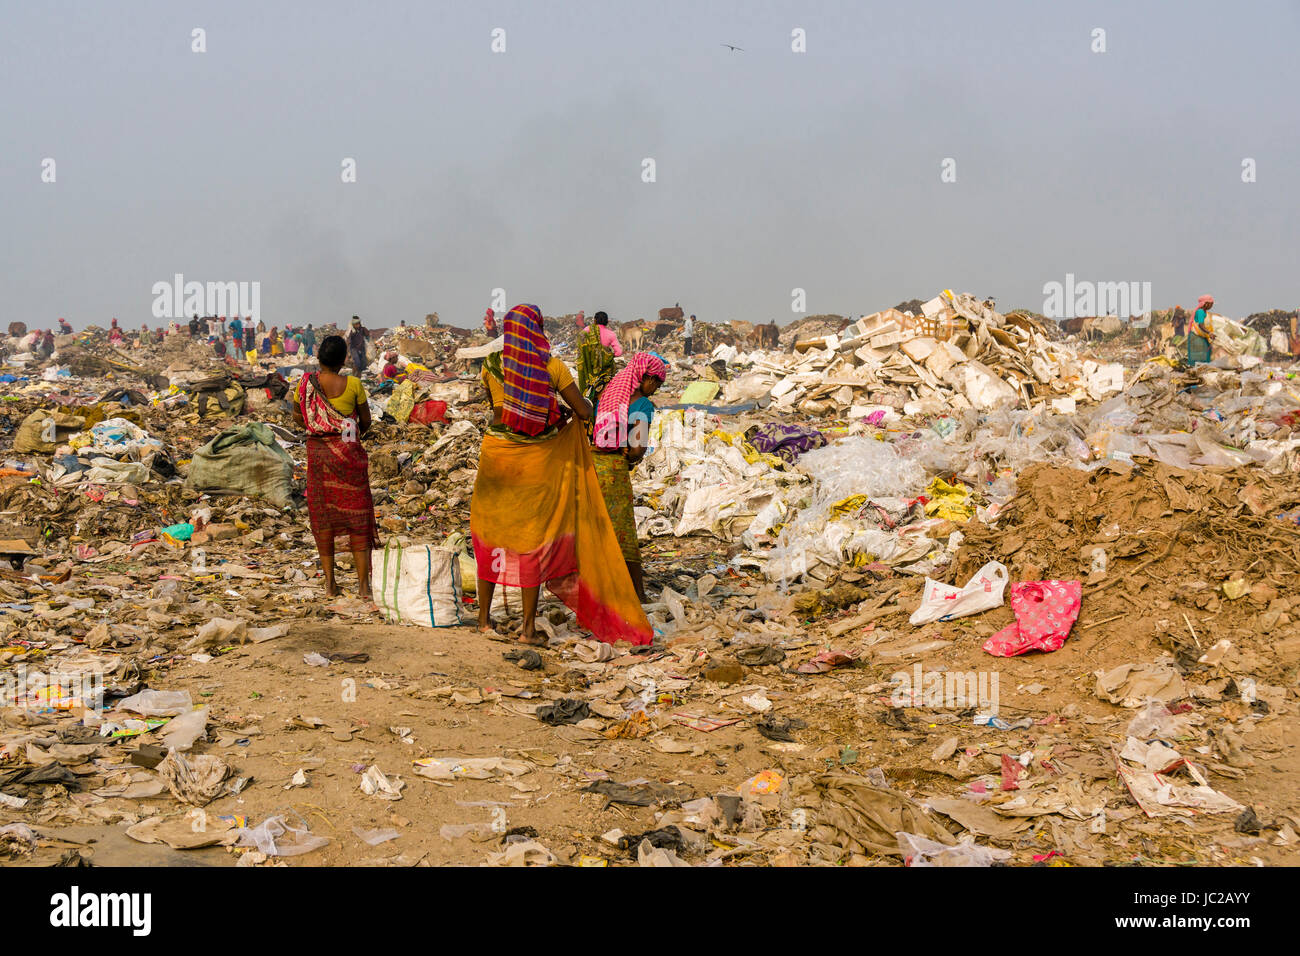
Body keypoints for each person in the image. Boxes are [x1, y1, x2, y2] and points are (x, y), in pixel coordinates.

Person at [471, 304, 652, 647]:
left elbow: (496, 407)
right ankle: (527, 629)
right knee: (531, 540)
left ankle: (482, 620)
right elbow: (584, 410)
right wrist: (564, 409)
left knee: (491, 533)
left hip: (496, 456)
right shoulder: (551, 366)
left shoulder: (491, 365)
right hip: (536, 460)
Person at [292, 335, 377, 601]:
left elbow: (298, 416)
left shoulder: (305, 384)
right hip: (349, 459)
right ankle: (364, 587)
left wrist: (320, 427)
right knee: (358, 519)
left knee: (323, 518)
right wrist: (345, 434)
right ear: (343, 360)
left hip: (319, 459)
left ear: (319, 358)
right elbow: (365, 421)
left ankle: (330, 585)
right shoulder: (353, 384)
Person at [592, 352, 667, 602]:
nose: (655, 389)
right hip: (613, 473)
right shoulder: (642, 405)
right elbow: (637, 448)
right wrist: (632, 456)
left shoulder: (606, 394)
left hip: (590, 468)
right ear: (645, 376)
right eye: (656, 382)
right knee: (623, 531)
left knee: (594, 529)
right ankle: (638, 593)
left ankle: (597, 587)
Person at [576, 310, 623, 404]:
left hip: (590, 369)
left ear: (595, 320)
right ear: (607, 322)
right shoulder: (611, 334)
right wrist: (606, 355)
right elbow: (618, 352)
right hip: (604, 371)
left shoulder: (587, 330)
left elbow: (581, 341)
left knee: (587, 393)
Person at [1188, 295, 1215, 365]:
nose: (1211, 306)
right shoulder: (1200, 312)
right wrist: (1209, 333)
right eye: (1211, 304)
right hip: (1197, 337)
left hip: (1202, 337)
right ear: (1205, 304)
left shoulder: (1205, 312)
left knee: (1204, 356)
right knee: (1199, 357)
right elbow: (1201, 325)